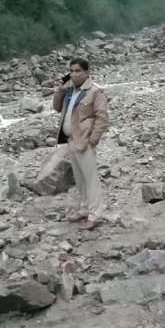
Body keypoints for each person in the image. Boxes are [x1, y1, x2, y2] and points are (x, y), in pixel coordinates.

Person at [52, 57, 109, 230]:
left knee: (91, 180)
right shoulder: (69, 91)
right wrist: (59, 90)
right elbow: (57, 108)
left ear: (86, 72)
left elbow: (102, 118)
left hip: (85, 141)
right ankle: (84, 209)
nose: (74, 74)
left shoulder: (95, 92)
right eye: (72, 71)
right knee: (80, 179)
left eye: (78, 71)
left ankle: (96, 214)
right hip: (71, 140)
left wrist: (93, 140)